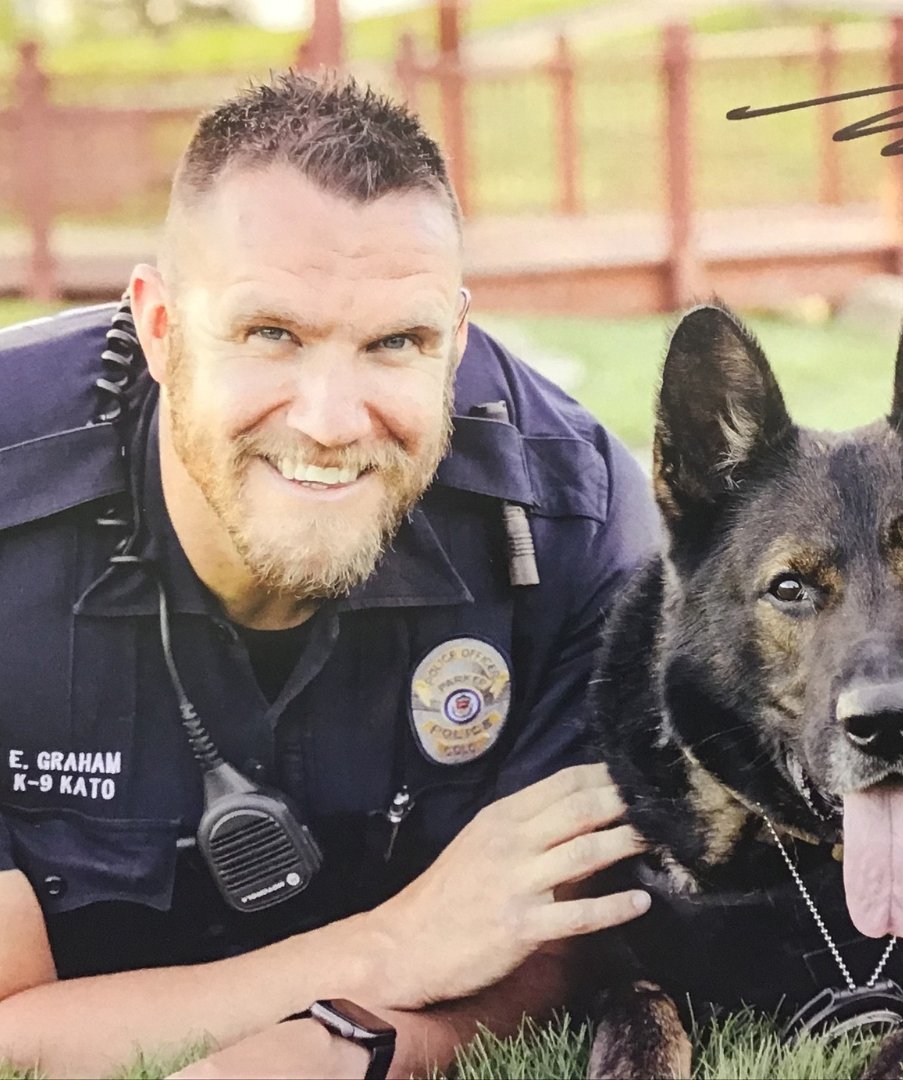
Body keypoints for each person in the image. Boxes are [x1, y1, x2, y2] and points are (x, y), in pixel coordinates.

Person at [0, 73, 661, 1078]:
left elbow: (553, 945)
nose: (331, 419)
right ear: (162, 328)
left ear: (456, 346)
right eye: (273, 335)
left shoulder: (577, 518)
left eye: (396, 344)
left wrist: (333, 1055)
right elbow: (11, 1027)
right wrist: (384, 950)